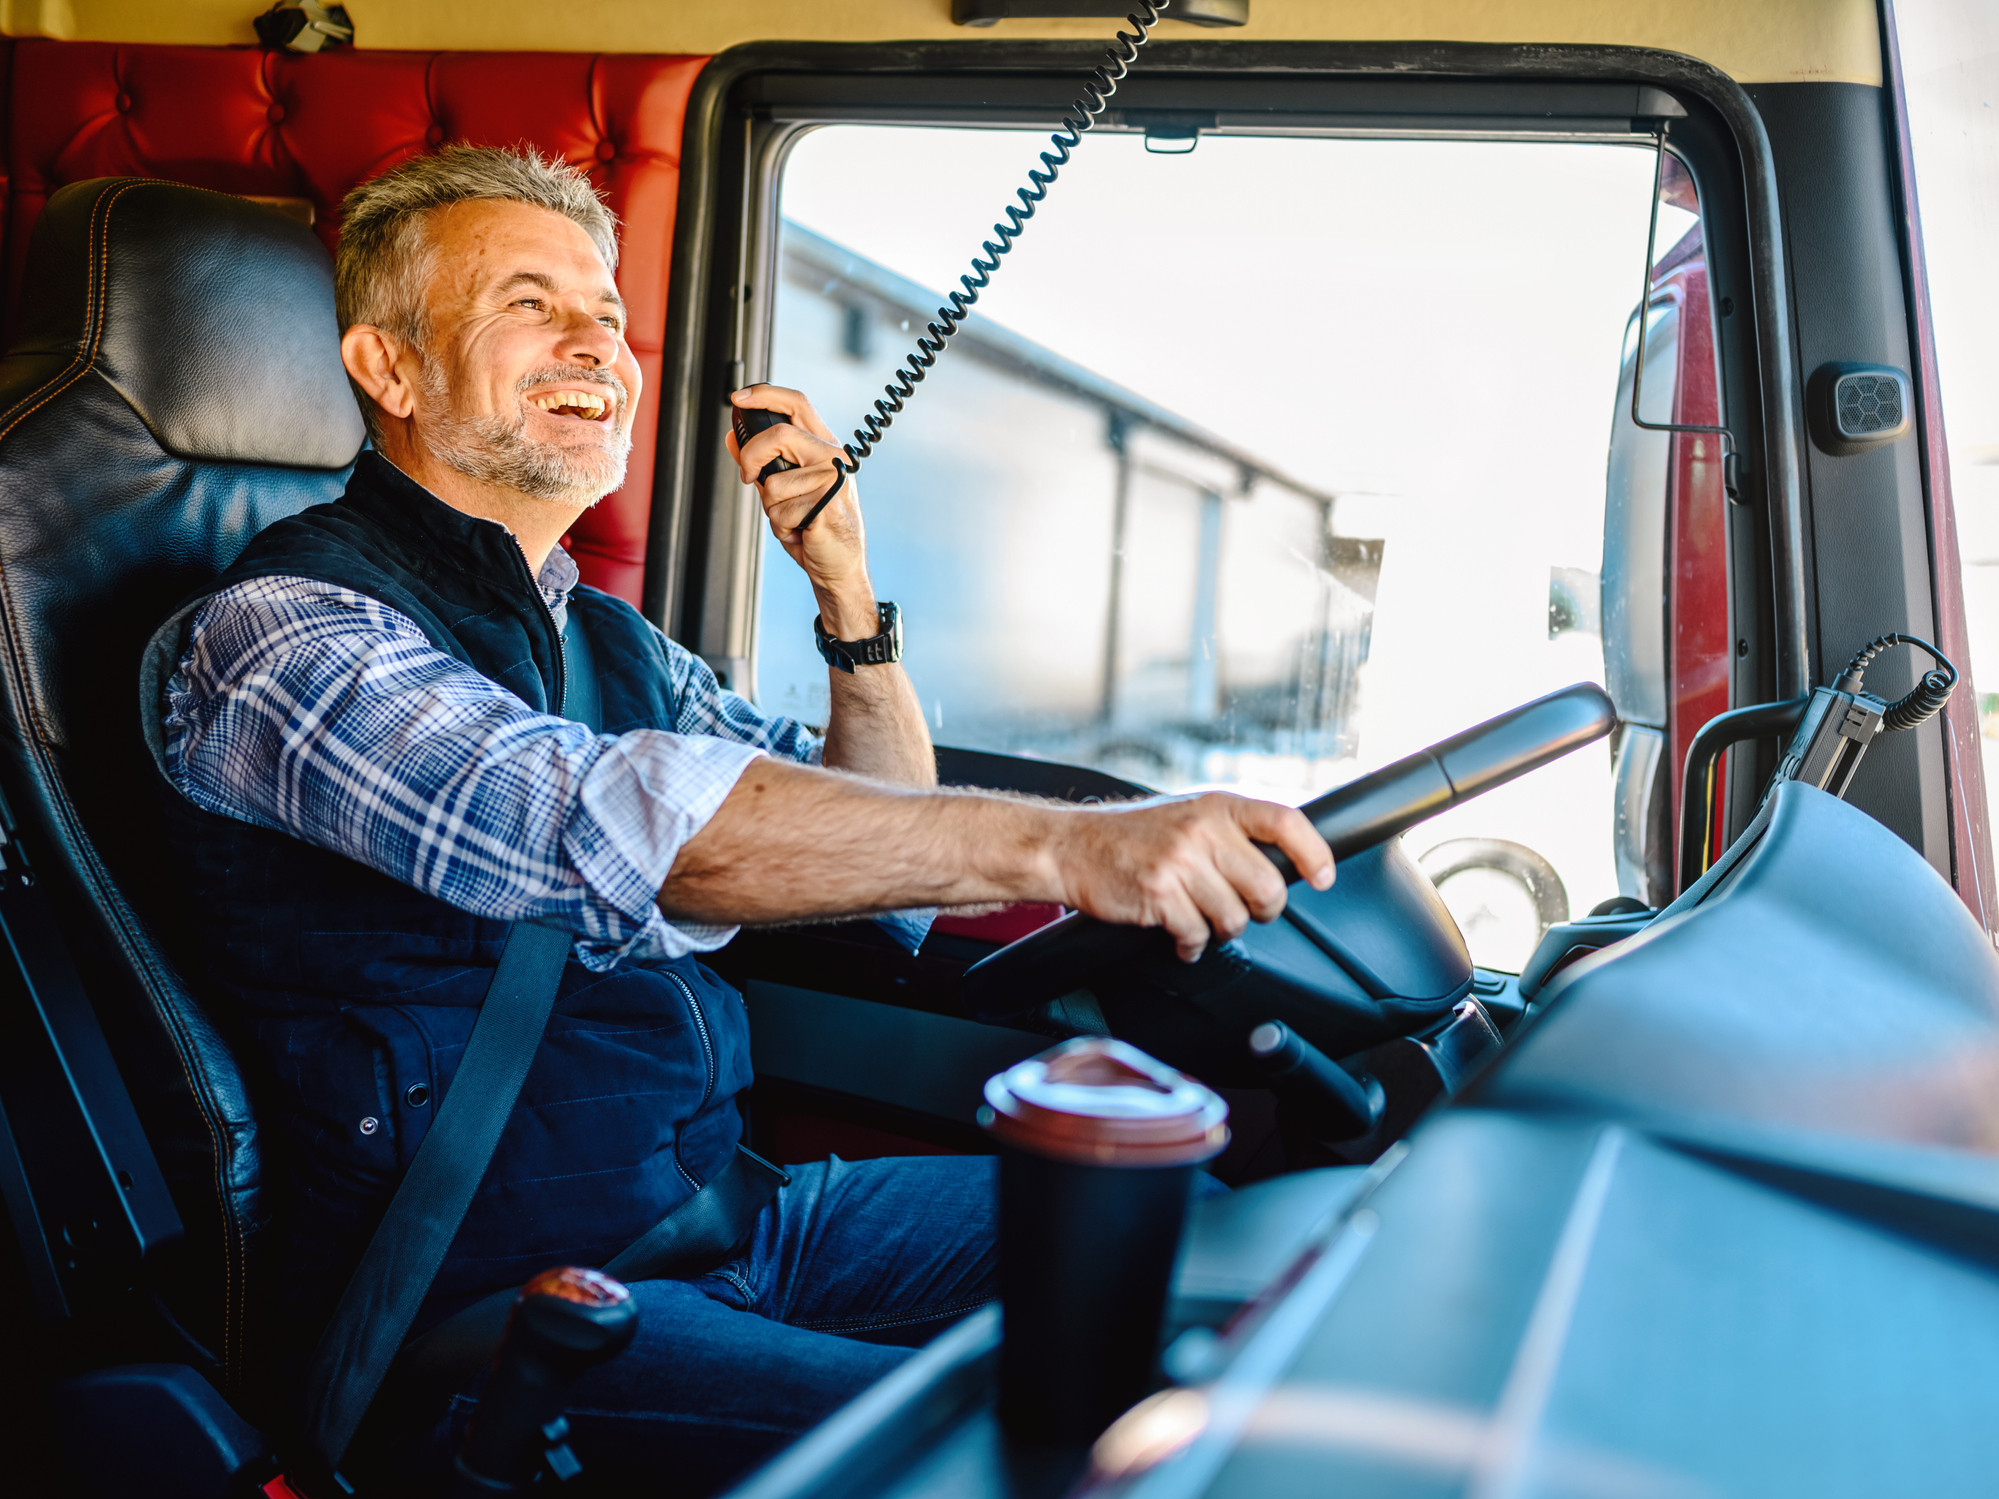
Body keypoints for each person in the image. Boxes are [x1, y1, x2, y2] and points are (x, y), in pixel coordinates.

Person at [144, 145, 1333, 1494]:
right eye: (531, 303)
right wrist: (1070, 843)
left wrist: (845, 591)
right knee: (1025, 1457)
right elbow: (614, 830)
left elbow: (881, 855)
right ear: (392, 368)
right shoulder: (285, 637)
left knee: (1178, 1246)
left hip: (727, 1220)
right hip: (487, 1318)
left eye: (605, 308)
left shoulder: (609, 640)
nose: (597, 336)